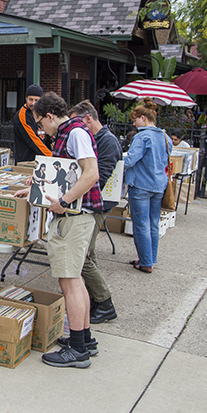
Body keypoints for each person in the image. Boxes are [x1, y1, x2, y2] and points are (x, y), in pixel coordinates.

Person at [15, 92, 104, 368]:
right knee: (75, 280)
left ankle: (77, 349)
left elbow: (91, 174)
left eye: (40, 122)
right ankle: (84, 338)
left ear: (50, 116)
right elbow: (65, 175)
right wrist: (35, 187)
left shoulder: (75, 133)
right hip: (76, 216)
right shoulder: (70, 133)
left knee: (69, 282)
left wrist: (63, 202)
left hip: (74, 217)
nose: (41, 129)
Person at [66, 100, 123, 324]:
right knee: (88, 254)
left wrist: (73, 193)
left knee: (84, 258)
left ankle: (105, 302)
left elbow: (100, 177)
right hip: (91, 203)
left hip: (97, 205)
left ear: (88, 119)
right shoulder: (96, 138)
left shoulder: (107, 142)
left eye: (76, 123)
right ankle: (96, 299)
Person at [124, 98, 171, 274]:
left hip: (141, 184)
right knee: (153, 224)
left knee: (141, 224)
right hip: (159, 184)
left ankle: (145, 262)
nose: (134, 123)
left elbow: (130, 161)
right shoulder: (165, 136)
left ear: (143, 118)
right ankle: (149, 258)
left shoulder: (141, 137)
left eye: (135, 120)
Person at [13, 84, 52, 163]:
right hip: (26, 162)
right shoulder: (22, 116)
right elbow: (34, 141)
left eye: (36, 100)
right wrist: (52, 157)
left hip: (41, 159)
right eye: (30, 99)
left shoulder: (42, 112)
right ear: (26, 98)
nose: (33, 103)